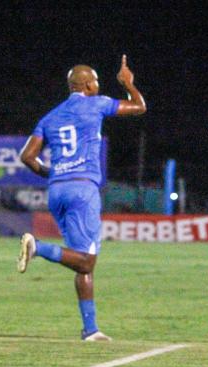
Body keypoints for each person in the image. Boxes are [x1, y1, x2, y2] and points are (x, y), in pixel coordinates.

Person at [17, 55, 146, 341]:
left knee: (80, 260)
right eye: (97, 81)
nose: (98, 86)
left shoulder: (50, 117)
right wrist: (129, 84)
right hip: (83, 190)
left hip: (58, 190)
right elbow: (139, 107)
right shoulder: (96, 104)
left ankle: (90, 329)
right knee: (86, 261)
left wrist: (52, 174)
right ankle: (37, 248)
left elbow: (27, 156)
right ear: (87, 85)